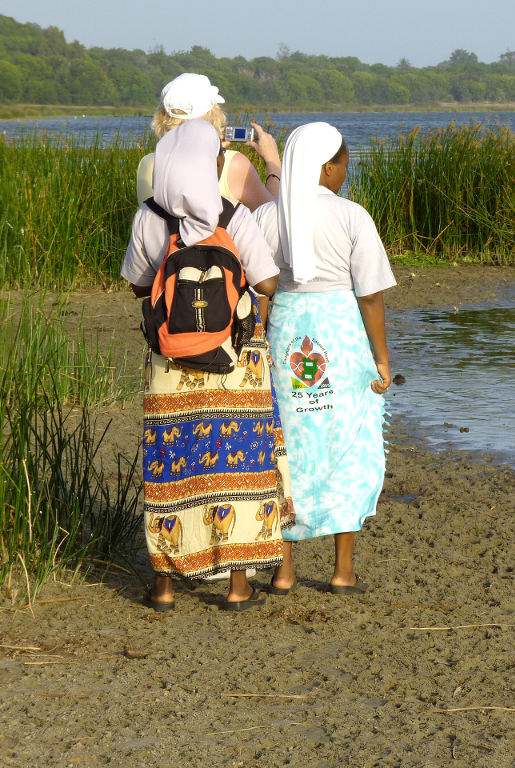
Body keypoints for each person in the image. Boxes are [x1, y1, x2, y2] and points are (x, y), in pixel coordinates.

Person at [121, 119, 292, 611]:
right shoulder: (232, 215)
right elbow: (268, 284)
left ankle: (165, 586)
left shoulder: (149, 217)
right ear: (211, 165)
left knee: (172, 465)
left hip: (171, 365)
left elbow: (136, 284)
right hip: (234, 364)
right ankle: (238, 586)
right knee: (236, 462)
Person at [254, 122, 395, 594]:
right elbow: (370, 296)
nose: (343, 177)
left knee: (287, 446)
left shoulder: (268, 217)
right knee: (347, 444)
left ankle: (284, 570)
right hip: (340, 333)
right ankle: (342, 570)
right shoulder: (353, 216)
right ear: (327, 168)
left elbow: (262, 293)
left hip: (286, 333)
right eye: (342, 168)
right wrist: (381, 358)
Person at [135, 72, 281, 211]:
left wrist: (213, 150)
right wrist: (272, 160)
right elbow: (274, 217)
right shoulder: (234, 164)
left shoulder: (147, 163)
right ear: (212, 113)